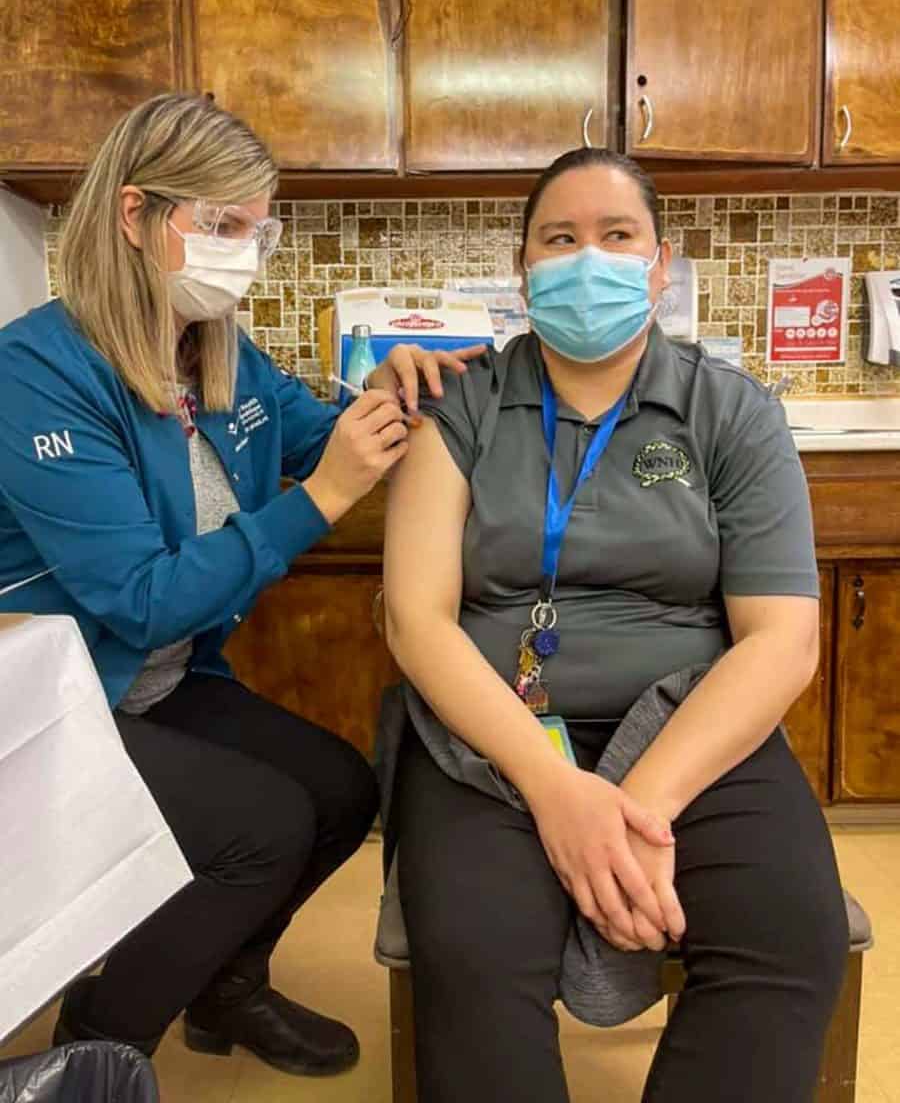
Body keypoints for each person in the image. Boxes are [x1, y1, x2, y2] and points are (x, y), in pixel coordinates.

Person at [0, 93, 483, 1073]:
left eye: (259, 231)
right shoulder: (35, 375)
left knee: (341, 790)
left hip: (159, 681)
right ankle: (92, 1050)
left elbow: (313, 435)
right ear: (135, 214)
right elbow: (143, 600)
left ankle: (223, 988)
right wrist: (324, 496)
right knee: (259, 830)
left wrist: (383, 395)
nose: (245, 254)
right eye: (222, 225)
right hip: (58, 697)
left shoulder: (213, 350)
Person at [381, 147, 848, 1102]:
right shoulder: (462, 406)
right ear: (523, 268)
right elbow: (415, 619)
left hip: (693, 726)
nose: (588, 257)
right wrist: (558, 791)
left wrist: (643, 806)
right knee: (474, 956)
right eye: (560, 238)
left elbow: (783, 639)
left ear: (660, 265)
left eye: (618, 234)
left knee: (787, 938)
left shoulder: (732, 412)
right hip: (496, 736)